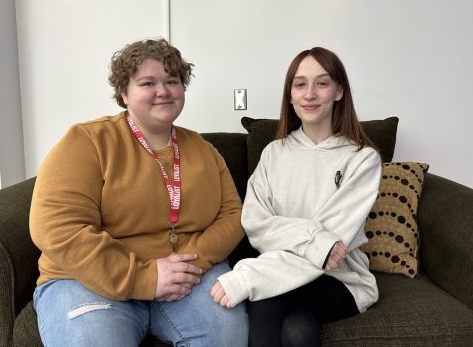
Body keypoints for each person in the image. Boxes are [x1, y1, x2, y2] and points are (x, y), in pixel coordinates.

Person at [30, 38, 248, 347]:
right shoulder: (86, 142)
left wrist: (190, 264)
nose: (163, 91)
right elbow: (56, 227)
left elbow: (232, 214)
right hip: (89, 279)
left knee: (224, 335)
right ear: (124, 93)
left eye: (172, 81)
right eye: (148, 83)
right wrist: (144, 278)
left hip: (188, 276)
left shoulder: (204, 149)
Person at [211, 47, 382, 346]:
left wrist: (250, 276)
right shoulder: (273, 154)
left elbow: (333, 250)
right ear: (290, 95)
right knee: (297, 330)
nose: (310, 94)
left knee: (266, 296)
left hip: (341, 281)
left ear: (339, 91)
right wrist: (316, 240)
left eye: (322, 83)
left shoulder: (362, 159)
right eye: (300, 84)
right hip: (280, 272)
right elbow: (256, 223)